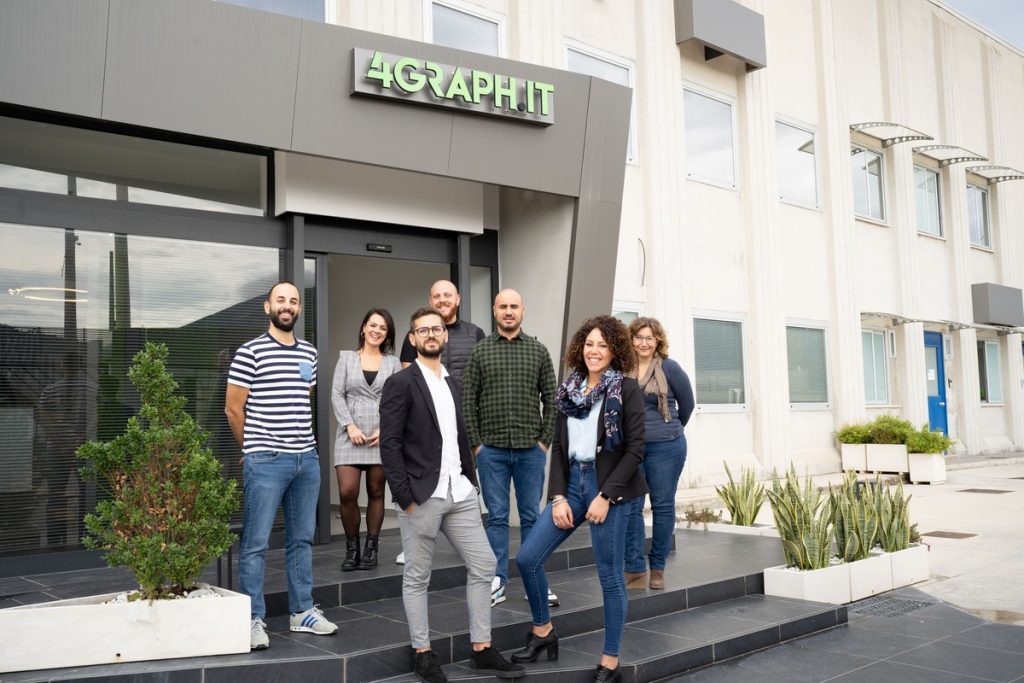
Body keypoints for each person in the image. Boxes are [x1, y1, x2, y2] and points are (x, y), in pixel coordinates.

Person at [379, 307, 525, 683]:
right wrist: (405, 497)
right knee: (417, 577)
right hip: (421, 495)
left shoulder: (452, 383)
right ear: (412, 339)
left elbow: (458, 436)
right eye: (423, 330)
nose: (431, 334)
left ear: (445, 336)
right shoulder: (400, 383)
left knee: (485, 565)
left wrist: (470, 481)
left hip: (458, 492)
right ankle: (423, 654)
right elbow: (390, 445)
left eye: (437, 329)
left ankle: (481, 648)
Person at [512, 316, 646, 683]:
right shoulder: (568, 390)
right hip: (572, 483)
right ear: (580, 348)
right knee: (527, 558)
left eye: (603, 344)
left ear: (615, 350)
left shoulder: (626, 389)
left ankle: (610, 661)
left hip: (610, 488)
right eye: (589, 344)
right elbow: (558, 448)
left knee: (610, 577)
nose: (594, 351)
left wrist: (605, 496)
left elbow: (636, 449)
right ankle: (543, 632)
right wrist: (557, 496)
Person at [226, 280, 338, 651]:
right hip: (266, 460)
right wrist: (252, 448)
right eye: (280, 300)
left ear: (299, 309)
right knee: (256, 543)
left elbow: (302, 397)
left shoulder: (309, 352)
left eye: (293, 301)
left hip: (306, 460)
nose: (287, 306)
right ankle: (252, 619)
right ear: (267, 307)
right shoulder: (249, 352)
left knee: (301, 539)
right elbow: (233, 409)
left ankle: (301, 611)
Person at [461, 289, 559, 608]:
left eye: (513, 306)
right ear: (494, 311)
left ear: (522, 311)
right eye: (503, 306)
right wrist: (476, 445)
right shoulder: (480, 351)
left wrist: (544, 441)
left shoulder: (538, 351)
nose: (508, 311)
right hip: (491, 451)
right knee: (498, 517)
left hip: (531, 450)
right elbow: (468, 401)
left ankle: (535, 581)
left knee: (532, 516)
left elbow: (552, 400)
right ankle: (498, 580)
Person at [395, 279, 485, 565]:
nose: (442, 299)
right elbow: (409, 381)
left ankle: (462, 539)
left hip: (463, 424)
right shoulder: (416, 335)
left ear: (458, 299)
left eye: (448, 295)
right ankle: (415, 540)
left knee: (460, 484)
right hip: (426, 426)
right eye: (437, 296)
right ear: (430, 300)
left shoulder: (475, 333)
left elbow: (482, 378)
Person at [623, 317, 695, 590]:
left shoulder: (669, 367)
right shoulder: (622, 368)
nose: (643, 343)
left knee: (662, 506)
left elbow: (687, 405)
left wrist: (668, 429)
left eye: (649, 338)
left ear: (657, 341)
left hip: (667, 447)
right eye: (639, 337)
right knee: (632, 507)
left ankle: (657, 567)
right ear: (631, 339)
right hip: (632, 448)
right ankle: (634, 567)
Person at [332, 308, 401, 572]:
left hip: (380, 436)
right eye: (373, 325)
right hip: (349, 434)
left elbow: (398, 400)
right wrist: (349, 426)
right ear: (363, 328)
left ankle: (371, 548)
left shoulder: (392, 363)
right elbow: (337, 394)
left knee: (376, 491)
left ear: (387, 334)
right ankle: (352, 549)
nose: (376, 331)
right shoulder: (347, 358)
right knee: (347, 492)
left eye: (382, 328)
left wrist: (386, 429)